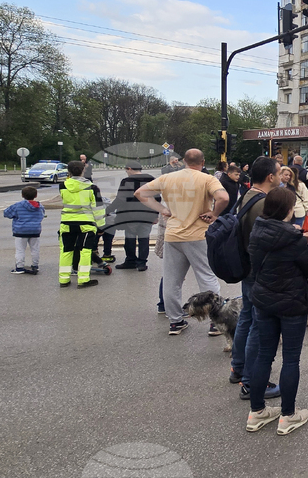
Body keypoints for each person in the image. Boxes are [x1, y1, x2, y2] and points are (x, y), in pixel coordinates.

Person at [244, 186, 308, 435]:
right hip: (292, 303)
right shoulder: (293, 238)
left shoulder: (258, 229)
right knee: (291, 359)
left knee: (264, 355)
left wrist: (296, 235)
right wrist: (299, 239)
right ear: (288, 210)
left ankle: (257, 412)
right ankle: (288, 414)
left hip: (263, 300)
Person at [135, 149, 229, 335]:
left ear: (184, 161)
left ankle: (176, 322)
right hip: (198, 235)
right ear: (203, 162)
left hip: (173, 235)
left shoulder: (168, 178)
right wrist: (214, 213)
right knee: (206, 276)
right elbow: (223, 197)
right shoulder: (207, 179)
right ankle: (215, 322)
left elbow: (140, 193)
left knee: (172, 280)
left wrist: (162, 209)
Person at [230, 157, 283, 399]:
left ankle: (238, 369)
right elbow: (270, 239)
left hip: (246, 267)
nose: (282, 176)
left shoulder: (247, 195)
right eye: (280, 172)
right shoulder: (263, 204)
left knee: (246, 318)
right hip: (259, 270)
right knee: (258, 326)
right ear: (270, 177)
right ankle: (250, 382)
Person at [57, 160, 105, 288]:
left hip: (67, 222)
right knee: (85, 251)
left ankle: (64, 279)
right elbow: (98, 209)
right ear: (84, 170)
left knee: (66, 250)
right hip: (86, 223)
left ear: (69, 171)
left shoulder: (63, 186)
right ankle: (83, 279)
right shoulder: (92, 188)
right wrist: (101, 226)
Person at [106, 161, 158, 271]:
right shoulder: (151, 179)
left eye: (126, 170)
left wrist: (108, 210)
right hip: (147, 215)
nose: (126, 172)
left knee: (130, 238)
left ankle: (130, 261)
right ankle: (142, 263)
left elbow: (121, 198)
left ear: (129, 168)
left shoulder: (127, 181)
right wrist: (155, 214)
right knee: (144, 239)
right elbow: (157, 198)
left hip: (130, 215)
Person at [5, 186, 44, 275]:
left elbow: (6, 213)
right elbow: (42, 215)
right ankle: (35, 265)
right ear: (36, 195)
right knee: (35, 249)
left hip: (20, 230)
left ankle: (20, 267)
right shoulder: (39, 206)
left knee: (20, 250)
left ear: (22, 195)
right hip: (35, 230)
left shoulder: (18, 205)